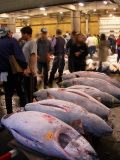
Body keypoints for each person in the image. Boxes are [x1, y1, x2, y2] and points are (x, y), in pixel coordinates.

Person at [0, 27, 29, 114]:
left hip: (3, 72)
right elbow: (18, 56)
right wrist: (25, 67)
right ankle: (22, 110)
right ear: (8, 33)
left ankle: (9, 113)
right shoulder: (12, 41)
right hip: (14, 72)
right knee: (21, 92)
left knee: (8, 93)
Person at [20, 26, 37, 102]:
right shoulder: (25, 43)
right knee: (27, 90)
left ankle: (34, 106)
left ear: (29, 34)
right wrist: (21, 38)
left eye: (24, 33)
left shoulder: (32, 42)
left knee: (32, 91)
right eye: (22, 33)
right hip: (26, 71)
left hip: (30, 72)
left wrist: (31, 68)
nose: (22, 35)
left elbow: (33, 55)